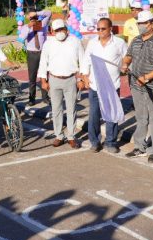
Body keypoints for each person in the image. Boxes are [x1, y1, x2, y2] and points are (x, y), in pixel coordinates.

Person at [121, 10, 153, 162]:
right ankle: (139, 147)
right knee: (141, 117)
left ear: (151, 24)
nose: (140, 26)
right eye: (139, 23)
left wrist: (147, 77)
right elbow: (129, 55)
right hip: (136, 85)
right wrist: (125, 64)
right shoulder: (136, 40)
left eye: (143, 23)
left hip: (152, 86)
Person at [37, 19, 86, 148]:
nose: (59, 32)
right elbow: (43, 62)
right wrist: (43, 80)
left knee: (71, 109)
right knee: (56, 109)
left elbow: (83, 61)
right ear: (52, 31)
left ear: (66, 28)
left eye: (61, 29)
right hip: (54, 79)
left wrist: (80, 79)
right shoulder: (48, 43)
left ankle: (71, 136)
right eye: (56, 30)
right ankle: (59, 135)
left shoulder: (75, 41)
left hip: (71, 79)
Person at [81, 17, 127, 153]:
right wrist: (85, 76)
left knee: (111, 115)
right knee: (94, 115)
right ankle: (94, 142)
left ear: (110, 28)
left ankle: (110, 142)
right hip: (95, 85)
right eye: (98, 29)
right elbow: (86, 60)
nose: (100, 31)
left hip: (112, 85)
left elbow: (127, 57)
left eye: (103, 28)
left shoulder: (119, 43)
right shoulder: (92, 43)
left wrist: (125, 66)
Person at [20, 9, 52, 113]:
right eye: (31, 18)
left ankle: (45, 97)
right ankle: (31, 98)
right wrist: (29, 27)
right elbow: (21, 39)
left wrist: (37, 13)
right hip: (32, 53)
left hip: (43, 52)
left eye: (34, 18)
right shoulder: (25, 27)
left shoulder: (42, 24)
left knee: (44, 76)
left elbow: (49, 13)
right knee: (32, 77)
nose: (33, 20)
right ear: (28, 19)